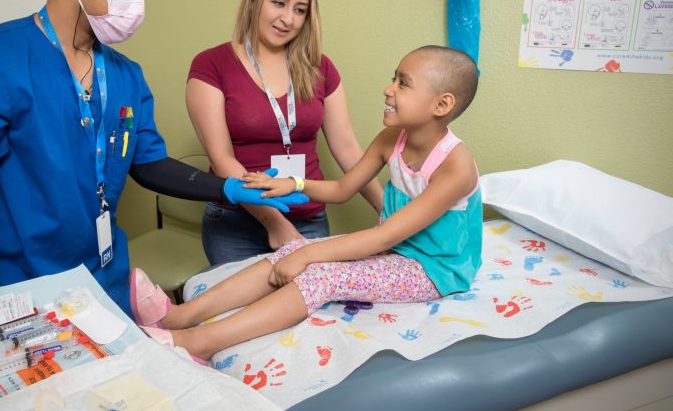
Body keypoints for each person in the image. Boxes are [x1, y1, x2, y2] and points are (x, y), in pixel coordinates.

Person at [0, 0, 306, 317]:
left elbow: (150, 165)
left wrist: (227, 189)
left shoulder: (125, 76)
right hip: (20, 289)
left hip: (103, 281)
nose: (138, 2)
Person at [132, 45, 482, 361]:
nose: (388, 89)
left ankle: (200, 342)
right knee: (287, 254)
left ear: (442, 104)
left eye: (403, 83)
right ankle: (181, 315)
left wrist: (308, 253)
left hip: (431, 269)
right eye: (394, 78)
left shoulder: (456, 167)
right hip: (395, 250)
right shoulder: (394, 138)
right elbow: (344, 188)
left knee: (320, 273)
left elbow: (382, 238)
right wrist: (292, 184)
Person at [187, 0, 382, 265]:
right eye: (278, 3)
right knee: (242, 311)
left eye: (300, 10)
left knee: (312, 314)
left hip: (308, 219)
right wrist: (275, 222)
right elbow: (222, 158)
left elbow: (348, 149)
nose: (288, 19)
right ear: (254, 0)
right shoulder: (211, 65)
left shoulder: (321, 68)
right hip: (236, 224)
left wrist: (388, 212)